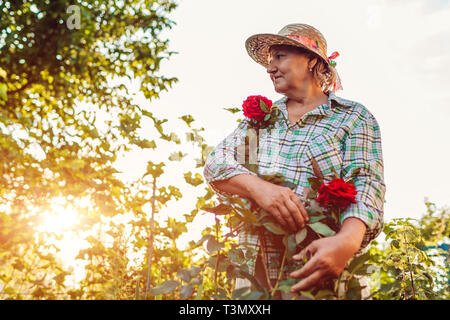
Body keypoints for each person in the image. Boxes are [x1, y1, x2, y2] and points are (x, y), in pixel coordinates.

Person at [203, 23, 386, 299]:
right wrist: (259, 188)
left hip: (324, 270)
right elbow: (216, 162)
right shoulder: (261, 119)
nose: (270, 68)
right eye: (268, 60)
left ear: (312, 60)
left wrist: (344, 243)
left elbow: (366, 184)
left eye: (279, 57)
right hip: (260, 275)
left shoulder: (353, 117)